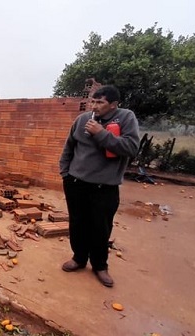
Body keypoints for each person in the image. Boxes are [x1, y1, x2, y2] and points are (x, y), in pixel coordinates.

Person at [59, 85, 139, 287]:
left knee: (101, 228)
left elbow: (130, 148)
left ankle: (100, 266)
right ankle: (78, 258)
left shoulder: (126, 118)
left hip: (105, 187)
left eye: (100, 102)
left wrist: (101, 133)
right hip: (76, 183)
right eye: (92, 102)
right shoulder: (82, 120)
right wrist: (65, 174)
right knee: (78, 224)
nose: (94, 106)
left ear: (113, 104)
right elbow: (69, 147)